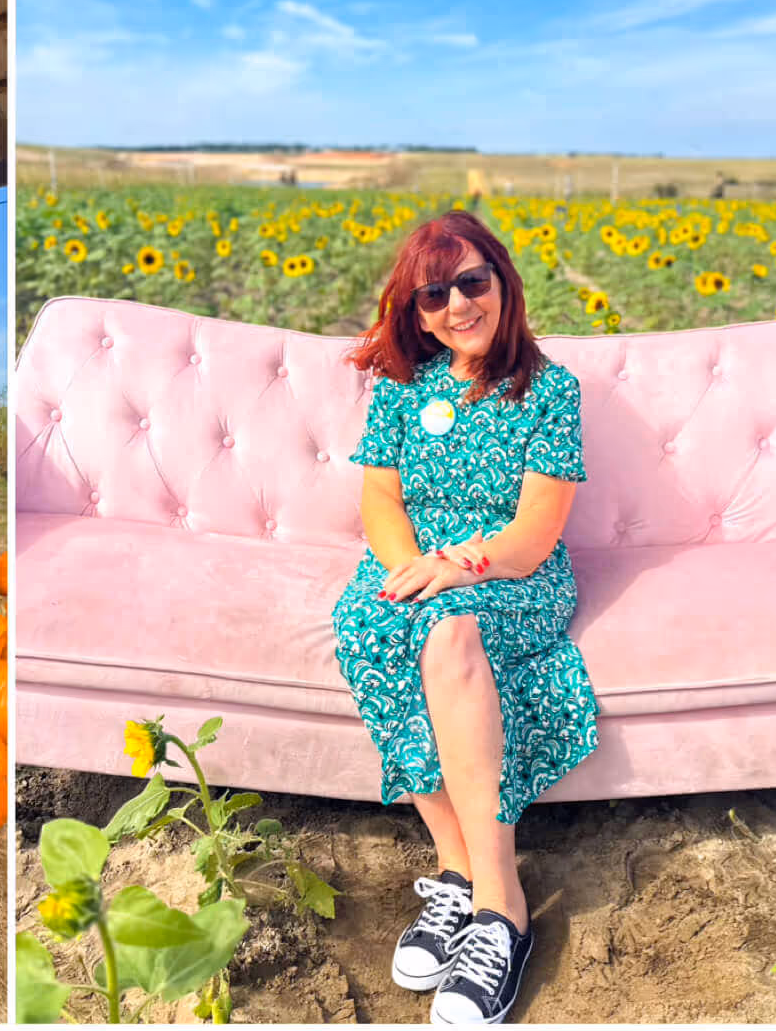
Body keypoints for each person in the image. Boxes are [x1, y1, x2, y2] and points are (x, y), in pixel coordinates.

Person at [331, 213, 598, 1026]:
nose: (456, 306)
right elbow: (379, 498)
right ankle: (454, 872)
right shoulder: (402, 391)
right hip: (416, 565)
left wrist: (458, 566)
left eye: (471, 283)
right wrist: (405, 567)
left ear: (502, 283)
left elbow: (533, 532)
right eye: (433, 295)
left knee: (448, 635)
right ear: (415, 313)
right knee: (368, 628)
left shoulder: (548, 390)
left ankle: (501, 907)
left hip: (510, 573)